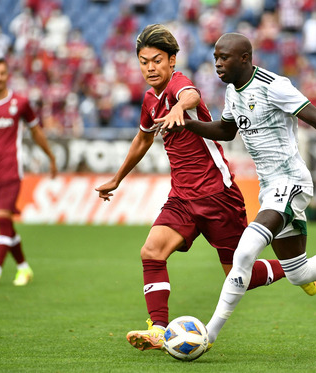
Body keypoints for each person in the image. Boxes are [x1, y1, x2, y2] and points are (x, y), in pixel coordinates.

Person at [156, 33, 316, 346]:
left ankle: (208, 335)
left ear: (245, 58)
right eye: (215, 57)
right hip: (271, 188)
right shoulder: (233, 92)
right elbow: (226, 130)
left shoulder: (274, 85)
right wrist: (186, 124)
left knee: (245, 251)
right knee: (298, 273)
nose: (217, 64)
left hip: (290, 181)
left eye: (224, 58)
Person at [94, 24, 286, 352]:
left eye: (157, 60)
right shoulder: (150, 100)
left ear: (172, 61)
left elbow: (190, 94)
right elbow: (143, 139)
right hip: (182, 197)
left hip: (217, 195)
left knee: (240, 276)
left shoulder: (178, 85)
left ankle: (294, 268)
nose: (150, 68)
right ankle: (157, 329)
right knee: (151, 252)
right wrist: (118, 178)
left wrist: (180, 108)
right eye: (143, 62)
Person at [0, 57, 57, 286]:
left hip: (12, 170)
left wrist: (51, 157)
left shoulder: (21, 103)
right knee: (4, 222)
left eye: (2, 73)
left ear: (8, 76)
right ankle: (24, 268)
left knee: (3, 216)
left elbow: (37, 132)